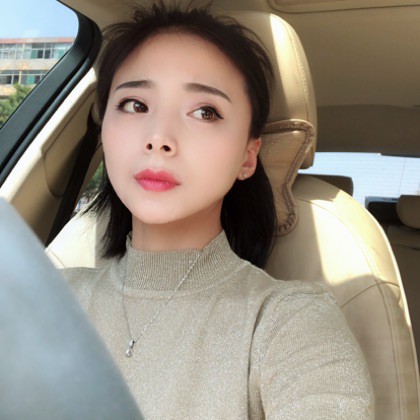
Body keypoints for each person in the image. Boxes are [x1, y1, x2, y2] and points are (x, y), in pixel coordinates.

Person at [62, 3, 374, 418]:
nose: (159, 137)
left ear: (248, 156)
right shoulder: (51, 299)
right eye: (135, 104)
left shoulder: (289, 322)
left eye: (205, 112)